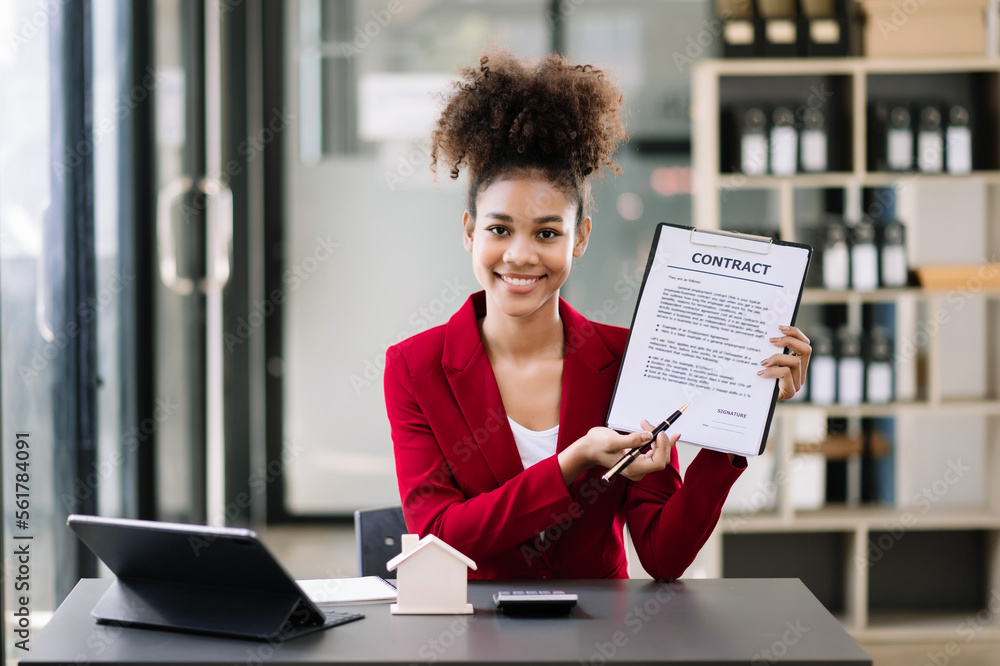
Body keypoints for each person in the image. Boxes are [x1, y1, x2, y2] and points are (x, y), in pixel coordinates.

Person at [383, 49, 812, 581]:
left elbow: (663, 556)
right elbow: (440, 536)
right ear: (469, 230)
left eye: (547, 232)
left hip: (600, 638)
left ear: (580, 237)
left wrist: (742, 416)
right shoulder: (414, 367)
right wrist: (575, 460)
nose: (520, 254)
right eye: (499, 230)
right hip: (473, 634)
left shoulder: (628, 357)